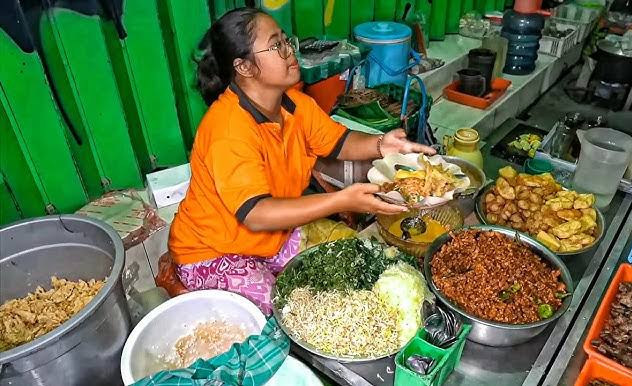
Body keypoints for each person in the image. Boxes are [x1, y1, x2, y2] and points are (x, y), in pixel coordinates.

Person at [168, 7, 435, 313]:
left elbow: (339, 142)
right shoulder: (228, 128)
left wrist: (381, 144)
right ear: (243, 67)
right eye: (276, 45)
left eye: (287, 40)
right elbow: (256, 213)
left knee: (355, 262)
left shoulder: (295, 106)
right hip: (212, 251)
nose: (289, 52)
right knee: (294, 312)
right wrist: (341, 201)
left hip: (270, 238)